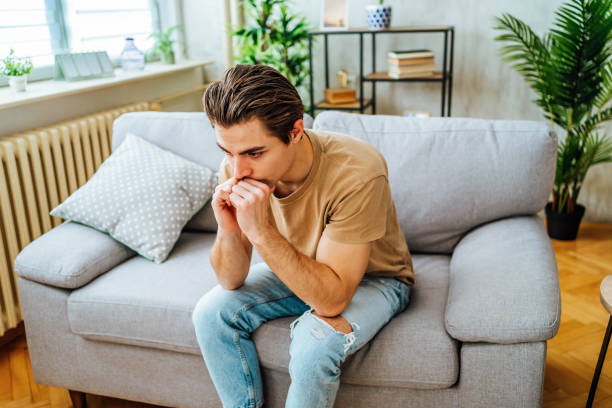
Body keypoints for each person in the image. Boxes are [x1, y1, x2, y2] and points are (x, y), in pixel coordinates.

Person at [191, 64, 415, 408]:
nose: (238, 171)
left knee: (315, 342)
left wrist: (261, 231)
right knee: (209, 313)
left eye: (254, 152)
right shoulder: (237, 166)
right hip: (297, 271)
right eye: (227, 152)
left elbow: (331, 300)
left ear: (295, 131)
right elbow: (229, 279)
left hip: (376, 280)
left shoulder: (357, 172)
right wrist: (228, 227)